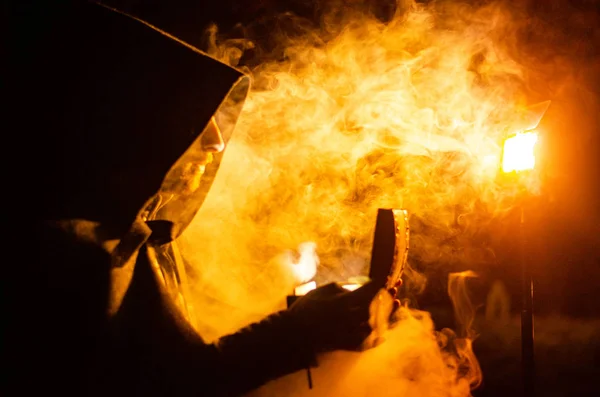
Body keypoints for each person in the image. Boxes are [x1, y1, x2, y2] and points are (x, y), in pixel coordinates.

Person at [6, 1, 383, 396]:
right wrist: (301, 330)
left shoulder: (141, 236)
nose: (217, 142)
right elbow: (168, 386)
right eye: (191, 119)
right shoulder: (68, 249)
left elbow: (184, 359)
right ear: (135, 123)